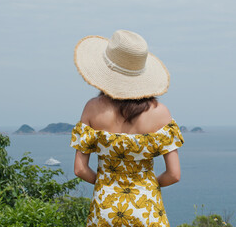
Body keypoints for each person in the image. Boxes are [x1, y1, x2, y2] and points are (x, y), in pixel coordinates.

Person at [70, 30, 184, 227]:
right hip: (146, 207)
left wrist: (107, 185)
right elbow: (174, 174)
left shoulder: (92, 108)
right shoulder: (161, 113)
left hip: (105, 207)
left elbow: (80, 169)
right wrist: (146, 186)